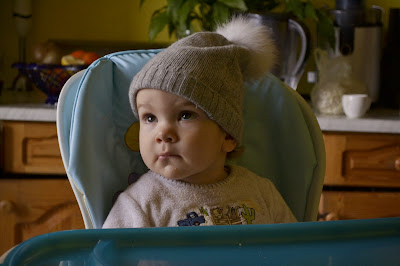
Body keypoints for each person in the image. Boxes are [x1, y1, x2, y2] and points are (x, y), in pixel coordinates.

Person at [102, 16, 296, 228]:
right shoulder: (139, 204)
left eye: (185, 115)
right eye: (150, 118)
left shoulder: (261, 193)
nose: (163, 132)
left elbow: (297, 252)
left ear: (228, 135)